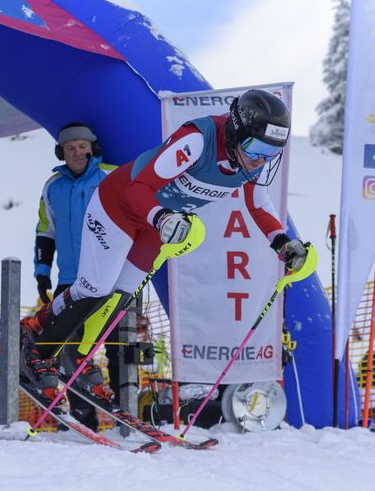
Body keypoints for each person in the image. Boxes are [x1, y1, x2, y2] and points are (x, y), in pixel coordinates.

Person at [19, 90, 308, 400]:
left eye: (271, 151)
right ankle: (36, 347)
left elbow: (258, 201)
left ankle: (74, 353)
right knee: (96, 287)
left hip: (156, 226)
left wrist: (281, 242)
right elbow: (138, 187)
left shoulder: (250, 158)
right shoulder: (197, 140)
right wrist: (161, 218)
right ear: (238, 131)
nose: (261, 158)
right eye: (257, 147)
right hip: (119, 207)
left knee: (118, 297)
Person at [33, 122, 117, 427]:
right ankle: (84, 418)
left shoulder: (112, 176)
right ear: (62, 153)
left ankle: (122, 414)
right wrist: (42, 272)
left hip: (113, 277)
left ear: (92, 148)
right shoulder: (53, 186)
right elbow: (46, 231)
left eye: (82, 146)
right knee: (69, 347)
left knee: (118, 346)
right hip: (71, 280)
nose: (77, 153)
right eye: (70, 148)